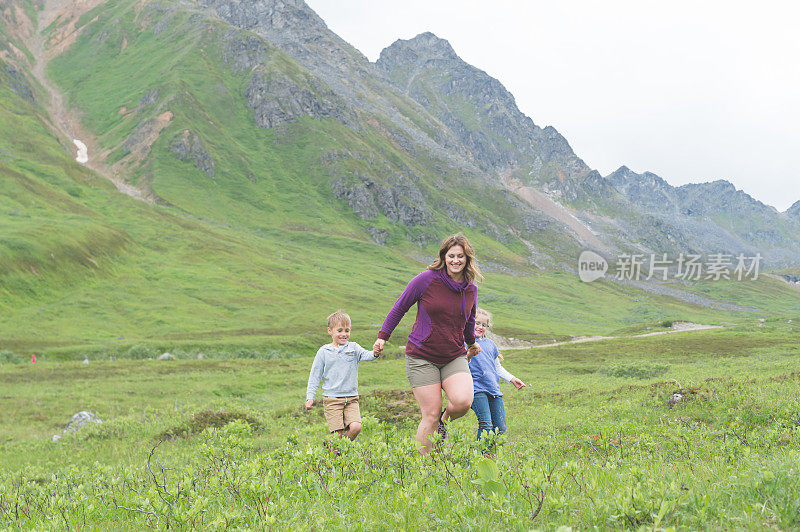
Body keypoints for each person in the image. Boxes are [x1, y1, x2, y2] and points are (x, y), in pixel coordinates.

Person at [373, 234, 482, 453]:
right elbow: (399, 307)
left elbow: (469, 320)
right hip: (422, 356)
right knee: (430, 414)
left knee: (462, 402)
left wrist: (471, 343)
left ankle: (443, 422)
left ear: (467, 258)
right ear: (444, 256)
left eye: (460, 256)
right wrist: (382, 337)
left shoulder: (471, 289)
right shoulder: (426, 279)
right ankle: (424, 467)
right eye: (451, 256)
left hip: (453, 355)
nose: (455, 260)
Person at [305, 310, 379, 440]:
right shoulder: (323, 352)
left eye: (347, 330)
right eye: (339, 330)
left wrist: (375, 352)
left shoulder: (354, 348)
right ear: (330, 331)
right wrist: (310, 397)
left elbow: (368, 355)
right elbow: (315, 376)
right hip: (332, 399)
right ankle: (335, 456)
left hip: (351, 398)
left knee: (356, 427)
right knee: (337, 434)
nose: (344, 334)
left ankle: (336, 448)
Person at [469, 308, 525, 446]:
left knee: (500, 428)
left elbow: (497, 367)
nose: (480, 327)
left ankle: (489, 456)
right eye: (477, 323)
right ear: (469, 323)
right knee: (486, 424)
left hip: (493, 389)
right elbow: (460, 364)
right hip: (476, 389)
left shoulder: (490, 344)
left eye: (483, 325)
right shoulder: (464, 343)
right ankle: (481, 457)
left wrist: (512, 379)